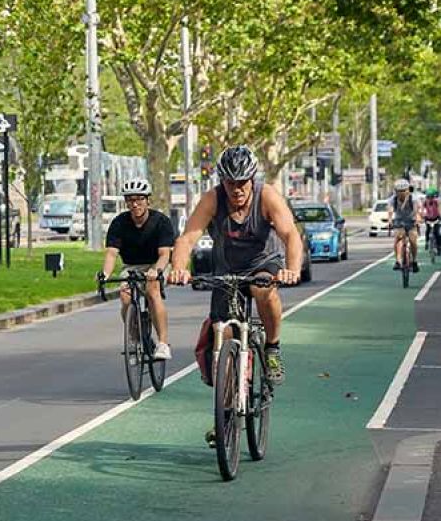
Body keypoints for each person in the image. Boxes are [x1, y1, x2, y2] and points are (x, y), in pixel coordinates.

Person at [169, 146, 303, 393]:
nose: (237, 189)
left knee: (264, 291)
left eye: (242, 182)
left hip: (263, 263)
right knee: (225, 333)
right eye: (231, 183)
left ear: (252, 179)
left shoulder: (267, 196)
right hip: (227, 270)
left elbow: (290, 234)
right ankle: (227, 412)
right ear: (223, 181)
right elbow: (187, 239)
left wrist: (292, 269)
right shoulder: (212, 200)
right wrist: (178, 268)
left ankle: (272, 347)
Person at [98, 179, 174, 360]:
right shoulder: (119, 223)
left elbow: (164, 254)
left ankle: (163, 344)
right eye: (130, 200)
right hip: (131, 266)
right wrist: (105, 274)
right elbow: (111, 254)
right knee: (125, 297)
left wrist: (156, 270)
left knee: (152, 290)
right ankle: (136, 339)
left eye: (140, 199)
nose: (135, 204)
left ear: (148, 200)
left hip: (155, 264)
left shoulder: (161, 222)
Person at [389, 179, 422, 272]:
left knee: (413, 240)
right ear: (395, 191)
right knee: (398, 238)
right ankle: (398, 261)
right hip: (399, 221)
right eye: (399, 191)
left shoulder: (413, 198)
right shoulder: (393, 199)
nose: (401, 193)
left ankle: (414, 261)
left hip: (411, 220)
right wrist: (390, 220)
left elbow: (416, 210)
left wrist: (418, 219)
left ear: (408, 190)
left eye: (404, 190)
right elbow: (390, 210)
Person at [423, 188, 440, 254]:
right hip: (428, 218)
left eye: (431, 197)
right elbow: (422, 210)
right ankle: (427, 242)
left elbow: (439, 209)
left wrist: (440, 216)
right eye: (428, 197)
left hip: (436, 218)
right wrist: (423, 215)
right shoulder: (425, 202)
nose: (430, 198)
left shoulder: (436, 202)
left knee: (437, 233)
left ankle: (438, 247)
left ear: (433, 197)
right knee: (427, 230)